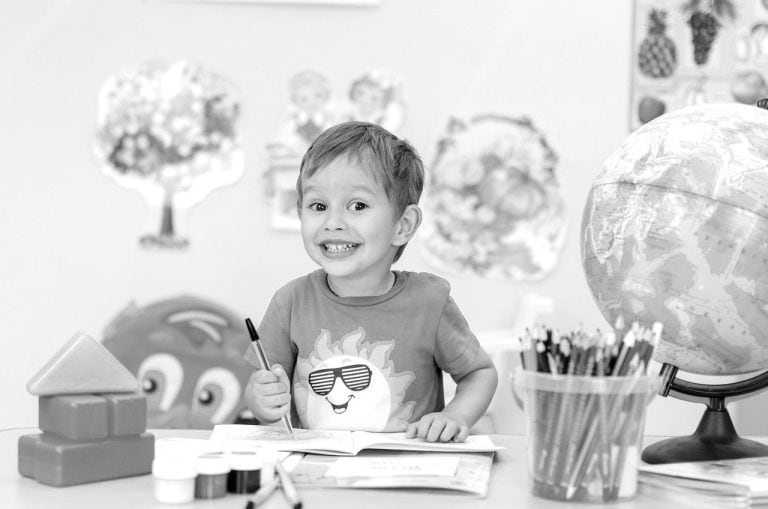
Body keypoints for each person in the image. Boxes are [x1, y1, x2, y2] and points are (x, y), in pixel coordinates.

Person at [244, 121, 498, 442]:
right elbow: (259, 392)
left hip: (404, 476)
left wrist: (454, 416)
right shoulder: (291, 301)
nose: (333, 223)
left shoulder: (429, 302)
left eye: (358, 206)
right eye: (318, 206)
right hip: (319, 475)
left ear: (403, 225)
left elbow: (479, 373)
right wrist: (262, 400)